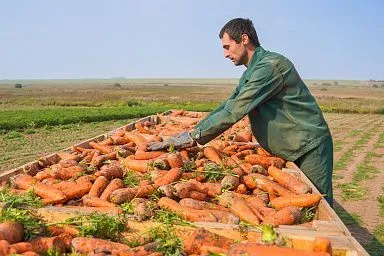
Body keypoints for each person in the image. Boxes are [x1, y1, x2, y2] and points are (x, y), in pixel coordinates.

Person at [148, 18, 334, 206]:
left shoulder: (269, 67)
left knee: (317, 204)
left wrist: (193, 137)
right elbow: (228, 105)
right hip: (294, 146)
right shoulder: (252, 72)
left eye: (227, 47)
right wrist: (191, 134)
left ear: (244, 39)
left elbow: (235, 110)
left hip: (309, 146)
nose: (225, 54)